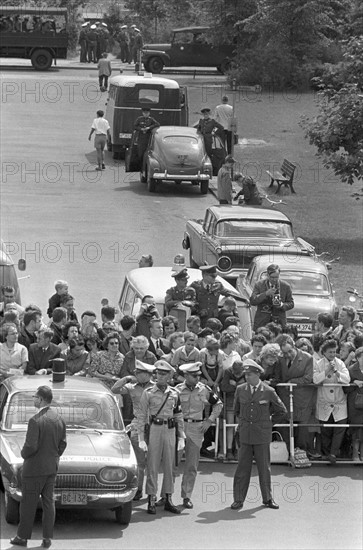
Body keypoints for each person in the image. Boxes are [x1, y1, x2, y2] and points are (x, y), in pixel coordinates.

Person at [10, 385, 67, 549]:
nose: (33, 399)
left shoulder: (35, 420)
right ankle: (47, 538)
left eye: (35, 397)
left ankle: (22, 537)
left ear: (41, 399)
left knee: (28, 504)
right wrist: (53, 457)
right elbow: (62, 444)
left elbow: (30, 447)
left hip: (34, 469)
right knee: (49, 503)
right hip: (51, 468)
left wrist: (23, 454)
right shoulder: (59, 418)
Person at [231, 360, 287, 511]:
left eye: (249, 374)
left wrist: (269, 423)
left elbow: (282, 411)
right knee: (242, 468)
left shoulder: (268, 391)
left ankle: (267, 498)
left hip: (262, 434)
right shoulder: (240, 389)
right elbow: (236, 410)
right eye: (246, 374)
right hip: (246, 434)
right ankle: (238, 499)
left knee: (264, 468)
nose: (247, 377)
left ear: (257, 374)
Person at [137, 360, 185, 515]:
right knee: (152, 465)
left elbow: (178, 415)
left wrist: (181, 436)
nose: (160, 376)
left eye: (164, 374)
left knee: (170, 466)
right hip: (155, 429)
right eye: (158, 373)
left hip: (170, 429)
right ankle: (151, 498)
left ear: (170, 376)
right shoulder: (149, 392)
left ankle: (168, 498)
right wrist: (141, 438)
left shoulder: (174, 393)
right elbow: (141, 415)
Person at [176, 362, 223, 507]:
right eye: (194, 375)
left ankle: (187, 496)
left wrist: (209, 420)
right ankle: (167, 495)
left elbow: (218, 404)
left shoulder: (204, 389)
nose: (197, 378)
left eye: (198, 375)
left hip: (196, 427)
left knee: (192, 464)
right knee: (172, 463)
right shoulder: (177, 390)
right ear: (186, 376)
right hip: (179, 427)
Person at [112, 360, 155, 500]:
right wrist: (126, 378)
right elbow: (114, 389)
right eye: (136, 372)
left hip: (155, 425)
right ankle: (139, 489)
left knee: (153, 462)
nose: (136, 374)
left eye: (140, 373)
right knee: (140, 461)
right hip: (138, 425)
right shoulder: (132, 387)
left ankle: (152, 492)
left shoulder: (155, 387)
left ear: (148, 374)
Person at [276, 334, 315, 453]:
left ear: (294, 346)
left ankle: (302, 452)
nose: (287, 355)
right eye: (284, 353)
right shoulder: (280, 358)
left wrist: (292, 382)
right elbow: (278, 376)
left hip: (302, 398)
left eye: (289, 351)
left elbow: (308, 378)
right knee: (285, 425)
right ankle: (286, 451)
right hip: (284, 397)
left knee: (302, 428)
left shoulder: (307, 358)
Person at [313, 339, 350, 463]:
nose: (333, 354)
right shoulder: (318, 364)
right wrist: (327, 371)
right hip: (324, 401)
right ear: (324, 352)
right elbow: (315, 380)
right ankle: (326, 453)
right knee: (326, 430)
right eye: (330, 352)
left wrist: (336, 372)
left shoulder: (340, 363)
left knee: (340, 427)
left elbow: (347, 379)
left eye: (334, 352)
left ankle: (333, 453)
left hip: (339, 402)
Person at [250, 263, 294, 331]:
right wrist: (265, 294)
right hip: (262, 322)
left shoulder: (285, 286)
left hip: (279, 323)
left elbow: (291, 303)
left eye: (276, 277)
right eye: (272, 277)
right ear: (267, 275)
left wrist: (281, 305)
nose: (274, 280)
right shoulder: (259, 285)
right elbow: (253, 301)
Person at [220, 359, 245, 460]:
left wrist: (235, 384)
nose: (238, 375)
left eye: (239, 373)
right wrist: (240, 385)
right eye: (236, 373)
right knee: (229, 426)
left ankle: (239, 450)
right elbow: (224, 387)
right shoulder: (228, 371)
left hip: (242, 403)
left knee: (240, 426)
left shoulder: (247, 371)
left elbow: (248, 386)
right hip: (230, 403)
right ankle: (229, 450)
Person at [345, 347, 363, 461]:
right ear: (357, 358)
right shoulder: (351, 370)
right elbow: (345, 389)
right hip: (355, 404)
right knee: (356, 429)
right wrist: (353, 383)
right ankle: (355, 454)